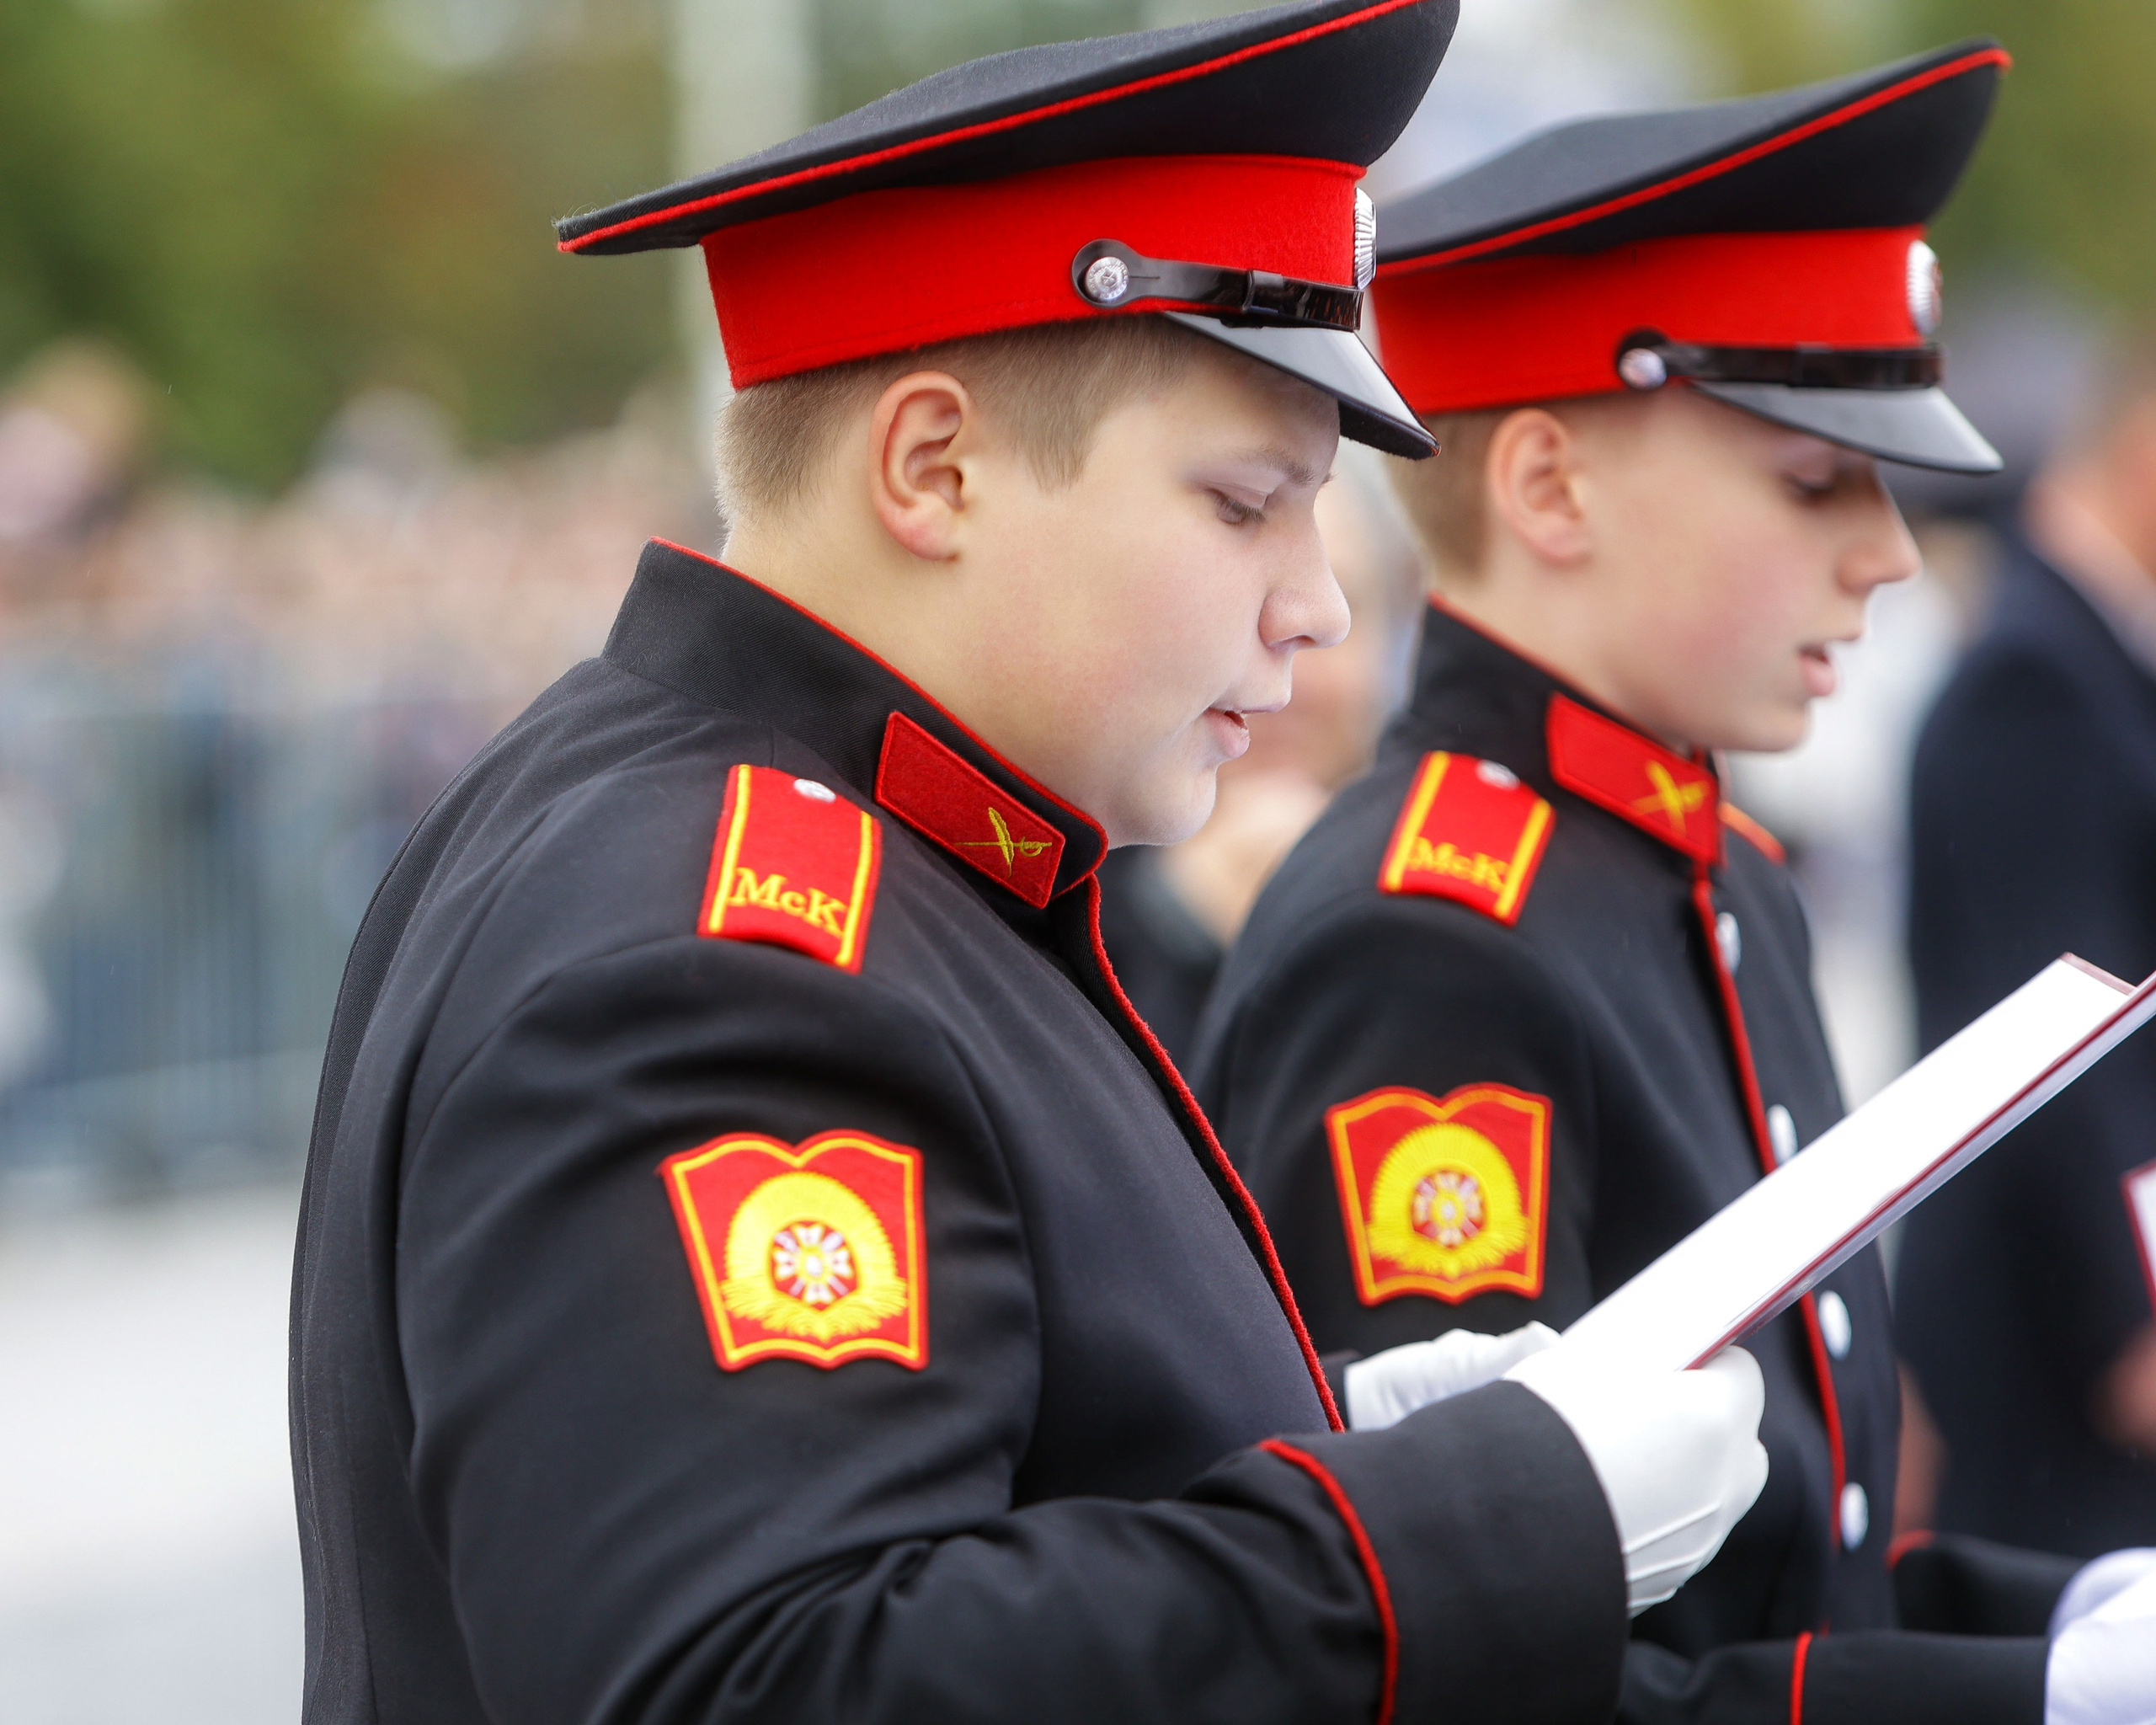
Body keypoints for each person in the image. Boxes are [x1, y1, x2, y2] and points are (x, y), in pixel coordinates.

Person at [287, 6, 1779, 1723]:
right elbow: (774, 1676)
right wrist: (1466, 1527)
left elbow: (957, 1463)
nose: (1318, 603)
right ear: (934, 470)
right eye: (1243, 502)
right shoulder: (720, 952)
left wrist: (1330, 1443)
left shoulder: (851, 851)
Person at [1193, 40, 2156, 1725]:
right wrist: (2031, 1697)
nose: (1886, 553)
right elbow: (1467, 1656)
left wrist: (2065, 1609)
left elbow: (1794, 1570)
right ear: (1549, 485)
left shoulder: (1718, 876)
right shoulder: (1424, 943)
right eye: (1813, 480)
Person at [1899, 327, 2156, 1557]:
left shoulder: (2084, 655)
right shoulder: (2037, 678)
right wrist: (2132, 1314)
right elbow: (2062, 1028)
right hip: (2053, 1329)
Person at [1097, 460, 1422, 1060]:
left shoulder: (1449, 893)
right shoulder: (1056, 880)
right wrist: (1178, 935)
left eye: (1334, 622)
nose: (1286, 687)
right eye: (1248, 608)